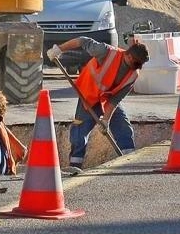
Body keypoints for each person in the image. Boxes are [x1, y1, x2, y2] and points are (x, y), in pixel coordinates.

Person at [46, 37, 149, 174]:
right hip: (88, 96)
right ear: (129, 56)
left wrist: (106, 120)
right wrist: (59, 49)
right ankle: (75, 167)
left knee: (123, 127)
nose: (137, 67)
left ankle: (128, 161)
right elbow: (82, 41)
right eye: (136, 63)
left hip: (106, 100)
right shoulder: (106, 52)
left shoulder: (133, 75)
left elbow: (115, 100)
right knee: (80, 132)